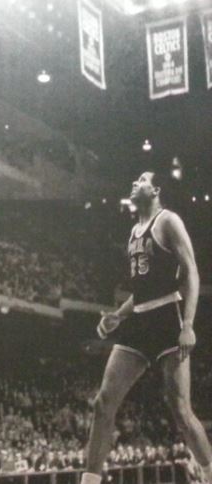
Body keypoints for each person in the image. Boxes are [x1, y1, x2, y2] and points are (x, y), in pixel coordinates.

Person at [81, 171, 212, 484]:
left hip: (167, 318)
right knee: (103, 403)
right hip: (139, 321)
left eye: (141, 180)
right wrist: (118, 315)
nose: (133, 183)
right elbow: (141, 292)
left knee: (180, 411)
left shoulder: (168, 221)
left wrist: (188, 325)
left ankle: (209, 473)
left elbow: (192, 273)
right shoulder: (133, 230)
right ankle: (89, 481)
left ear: (156, 189)